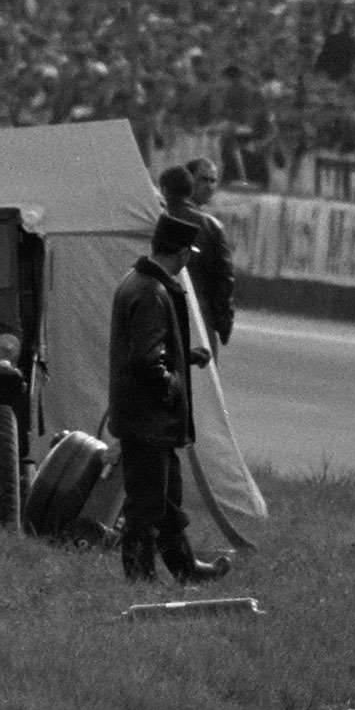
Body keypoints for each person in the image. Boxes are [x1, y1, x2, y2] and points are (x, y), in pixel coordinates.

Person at [108, 213, 231, 585]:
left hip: (145, 420)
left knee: (167, 502)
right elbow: (147, 361)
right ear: (182, 253)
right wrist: (173, 386)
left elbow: (147, 348)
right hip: (149, 420)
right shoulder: (152, 292)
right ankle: (140, 580)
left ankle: (187, 570)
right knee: (146, 507)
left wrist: (184, 356)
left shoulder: (136, 281)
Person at [164, 159, 236, 347]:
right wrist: (224, 320)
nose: (209, 186)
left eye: (213, 181)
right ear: (189, 180)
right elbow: (224, 277)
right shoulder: (210, 226)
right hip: (198, 315)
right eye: (204, 179)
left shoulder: (158, 215)